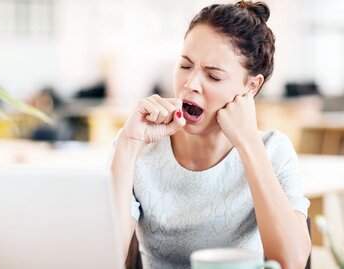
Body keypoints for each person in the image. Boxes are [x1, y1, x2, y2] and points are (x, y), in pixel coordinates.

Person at [110, 1, 311, 269]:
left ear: (251, 86)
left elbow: (292, 261)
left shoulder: (273, 150)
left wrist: (248, 143)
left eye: (213, 76)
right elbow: (104, 258)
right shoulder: (138, 149)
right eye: (184, 66)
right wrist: (128, 143)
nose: (190, 85)